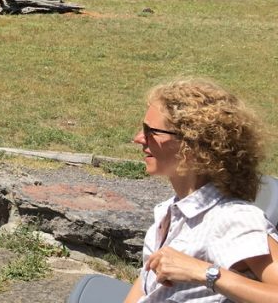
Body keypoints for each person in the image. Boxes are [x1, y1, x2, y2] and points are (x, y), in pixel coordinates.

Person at [117, 79, 278, 303]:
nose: (138, 138)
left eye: (150, 131)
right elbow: (146, 289)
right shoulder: (168, 212)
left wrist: (203, 272)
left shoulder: (233, 218)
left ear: (192, 145)